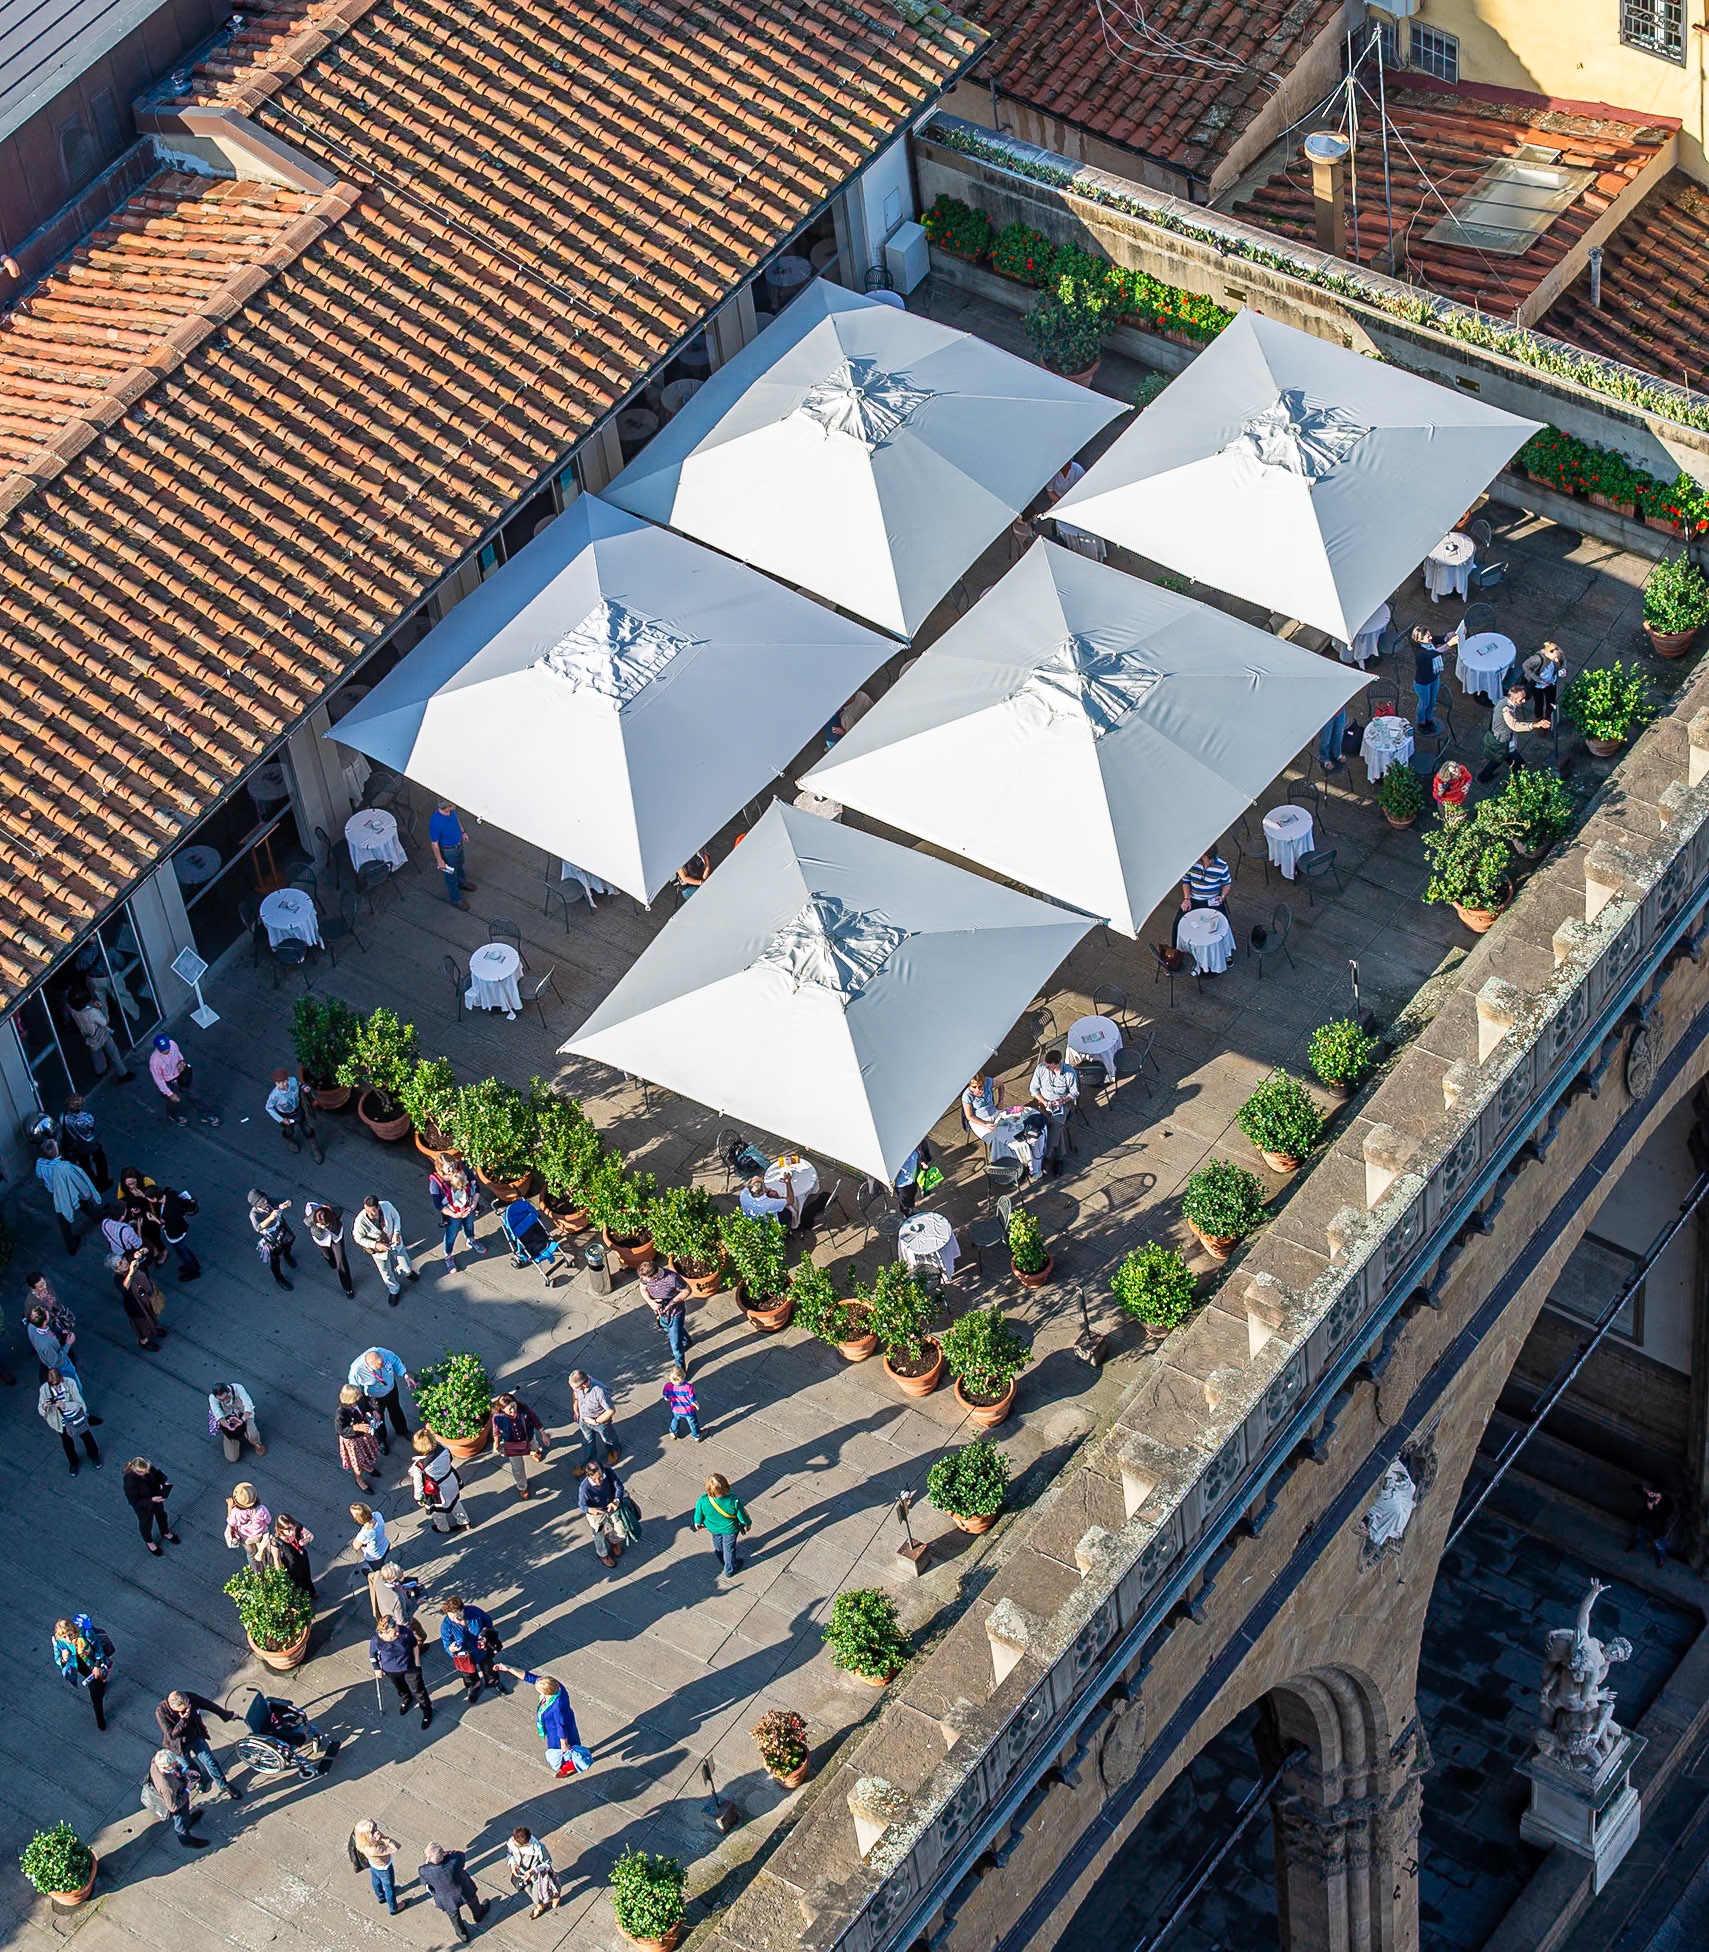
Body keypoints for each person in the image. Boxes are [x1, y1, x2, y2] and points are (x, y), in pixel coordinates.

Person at [492, 1666, 584, 1776]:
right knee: (573, 1744)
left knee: (561, 1751)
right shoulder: (555, 1686)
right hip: (565, 1721)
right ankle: (576, 1757)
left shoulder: (557, 1707)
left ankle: (570, 1766)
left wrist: (563, 1744)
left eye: (539, 1690)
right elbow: (529, 1677)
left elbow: (561, 1726)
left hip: (557, 1731)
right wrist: (509, 1669)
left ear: (547, 1692)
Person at [154, 1690, 240, 1800]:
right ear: (173, 1707)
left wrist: (227, 1715)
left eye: (188, 1705)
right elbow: (171, 1735)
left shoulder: (189, 1697)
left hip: (196, 1737)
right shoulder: (161, 1712)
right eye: (184, 1708)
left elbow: (209, 1705)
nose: (188, 1708)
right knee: (190, 1768)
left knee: (210, 1762)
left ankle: (224, 1785)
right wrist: (183, 1720)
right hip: (179, 1747)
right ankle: (200, 1780)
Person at [1478, 679, 1549, 783]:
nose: (1524, 701)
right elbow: (1514, 725)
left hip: (1500, 739)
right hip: (1503, 741)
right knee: (1517, 764)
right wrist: (1535, 725)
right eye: (1521, 699)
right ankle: (1514, 781)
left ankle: (1484, 777)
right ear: (1512, 698)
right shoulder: (1506, 710)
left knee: (1499, 760)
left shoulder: (1504, 701)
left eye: (1524, 698)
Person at [35, 1138, 99, 1252]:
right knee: (83, 1204)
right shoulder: (63, 1166)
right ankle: (97, 1217)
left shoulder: (39, 1163)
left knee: (63, 1220)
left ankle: (71, 1244)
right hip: (69, 1190)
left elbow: (39, 1175)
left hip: (55, 1193)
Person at [439, 1596, 507, 1701]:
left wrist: (487, 1632)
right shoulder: (446, 1626)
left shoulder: (474, 1611)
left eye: (457, 1617)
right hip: (464, 1655)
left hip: (481, 1649)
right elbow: (446, 1644)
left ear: (462, 1610)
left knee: (489, 1668)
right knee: (469, 1675)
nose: (455, 1620)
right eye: (451, 1618)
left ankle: (493, 1682)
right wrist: (451, 1649)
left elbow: (487, 1620)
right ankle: (473, 1688)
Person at [52, 1614, 114, 1729]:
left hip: (91, 1663)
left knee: (95, 1693)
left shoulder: (85, 1633)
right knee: (97, 1685)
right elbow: (58, 1660)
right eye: (64, 1637)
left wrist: (97, 1665)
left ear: (75, 1631)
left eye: (70, 1635)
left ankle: (100, 1718)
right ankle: (101, 1685)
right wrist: (63, 1659)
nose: (69, 1639)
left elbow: (98, 1648)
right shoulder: (59, 1643)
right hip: (79, 1665)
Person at [370, 1617, 432, 1727]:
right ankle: (406, 1698)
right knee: (400, 1688)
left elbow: (414, 1646)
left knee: (419, 1690)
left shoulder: (405, 1632)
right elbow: (372, 1655)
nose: (398, 1633)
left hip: (409, 1667)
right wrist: (377, 1669)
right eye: (394, 1633)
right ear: (383, 1633)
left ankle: (427, 1709)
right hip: (391, 1670)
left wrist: (417, 1663)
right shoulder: (376, 1640)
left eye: (397, 1630)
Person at [418, 1841, 486, 1940]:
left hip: (446, 1898)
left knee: (454, 1916)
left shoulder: (424, 1870)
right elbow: (461, 1855)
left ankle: (463, 1935)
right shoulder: (454, 1860)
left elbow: (425, 1881)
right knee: (473, 1901)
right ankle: (479, 1915)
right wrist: (448, 1853)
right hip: (464, 1889)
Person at [428, 1153, 484, 1272]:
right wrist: (454, 1214)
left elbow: (475, 1184)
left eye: (453, 1165)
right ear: (440, 1168)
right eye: (448, 1168)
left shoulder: (462, 1168)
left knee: (469, 1224)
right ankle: (448, 1256)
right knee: (451, 1234)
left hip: (468, 1207)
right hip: (452, 1214)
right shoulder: (436, 1182)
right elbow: (438, 1204)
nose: (452, 1169)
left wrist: (474, 1202)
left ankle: (471, 1240)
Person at [348, 1346, 415, 1444]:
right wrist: (365, 1406)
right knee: (378, 1419)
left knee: (396, 1409)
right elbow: (354, 1389)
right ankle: (382, 1441)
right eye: (380, 1367)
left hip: (391, 1389)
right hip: (374, 1397)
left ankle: (402, 1430)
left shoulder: (383, 1353)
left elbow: (396, 1361)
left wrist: (406, 1376)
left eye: (384, 1363)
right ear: (371, 1366)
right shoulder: (356, 1370)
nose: (384, 1366)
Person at [353, 1195, 415, 1301]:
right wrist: (375, 1245)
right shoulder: (361, 1220)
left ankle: (407, 1273)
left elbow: (395, 1216)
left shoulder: (386, 1205)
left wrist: (397, 1233)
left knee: (405, 1262)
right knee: (385, 1271)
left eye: (372, 1211)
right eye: (367, 1211)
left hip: (394, 1242)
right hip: (379, 1251)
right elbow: (358, 1238)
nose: (369, 1214)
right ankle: (394, 1290)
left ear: (378, 1207)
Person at [490, 1390, 549, 1499]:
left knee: (535, 1447)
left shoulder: (524, 1410)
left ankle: (535, 1452)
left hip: (529, 1438)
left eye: (513, 1406)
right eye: (509, 1409)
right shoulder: (498, 1417)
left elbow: (535, 1419)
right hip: (512, 1446)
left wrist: (543, 1433)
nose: (513, 1410)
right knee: (517, 1467)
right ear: (502, 1410)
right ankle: (522, 1487)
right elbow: (496, 1431)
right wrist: (496, 1444)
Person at [149, 1033, 218, 1125]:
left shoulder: (172, 1044)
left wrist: (181, 1062)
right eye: (163, 1050)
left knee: (195, 1095)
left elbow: (178, 1055)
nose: (167, 1051)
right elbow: (159, 1080)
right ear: (157, 1048)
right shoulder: (154, 1061)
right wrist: (170, 1094)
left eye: (167, 1048)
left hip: (181, 1075)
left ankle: (208, 1115)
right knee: (172, 1102)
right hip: (169, 1083)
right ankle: (173, 1115)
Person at [65, 988, 133, 1082]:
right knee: (113, 1052)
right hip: (101, 1034)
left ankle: (100, 1071)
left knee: (96, 1053)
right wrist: (98, 1007)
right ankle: (122, 1073)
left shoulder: (74, 1012)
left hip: (89, 1036)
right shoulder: (91, 1012)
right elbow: (103, 1022)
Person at [1029, 1050, 1079, 1178]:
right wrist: (1044, 1102)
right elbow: (1033, 1089)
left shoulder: (1069, 1073)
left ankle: (1047, 1156)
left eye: (1049, 1066)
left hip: (1063, 1104)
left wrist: (1061, 1101)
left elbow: (1074, 1093)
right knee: (1042, 1125)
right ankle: (1059, 1157)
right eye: (1046, 1064)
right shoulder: (1041, 1069)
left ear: (1058, 1063)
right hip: (1044, 1103)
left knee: (1056, 1124)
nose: (1046, 1067)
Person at [41, 1367, 101, 1473]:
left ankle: (94, 1456)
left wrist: (65, 1405)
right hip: (61, 1422)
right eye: (52, 1384)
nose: (55, 1386)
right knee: (67, 1443)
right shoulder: (44, 1390)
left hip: (76, 1417)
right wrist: (45, 1406)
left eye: (57, 1383)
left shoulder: (70, 1383)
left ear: (61, 1379)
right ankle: (73, 1462)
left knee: (87, 1437)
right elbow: (41, 1410)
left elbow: (79, 1403)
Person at [411, 1427, 471, 1533]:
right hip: (451, 1480)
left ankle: (443, 1528)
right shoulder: (443, 1449)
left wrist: (418, 1498)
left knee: (438, 1512)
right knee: (455, 1502)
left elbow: (418, 1485)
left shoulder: (419, 1465)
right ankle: (464, 1521)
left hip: (437, 1491)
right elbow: (450, 1459)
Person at [692, 1471, 751, 1577]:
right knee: (729, 1548)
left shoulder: (703, 1500)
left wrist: (698, 1523)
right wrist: (748, 1523)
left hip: (713, 1527)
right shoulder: (733, 1500)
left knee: (717, 1541)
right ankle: (729, 1569)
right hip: (730, 1529)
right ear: (726, 1486)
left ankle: (721, 1558)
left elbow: (698, 1514)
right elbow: (742, 1516)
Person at [148, 1748, 209, 1848]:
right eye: (173, 1764)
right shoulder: (166, 1786)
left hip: (179, 1791)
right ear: (165, 1767)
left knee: (185, 1817)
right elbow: (173, 1806)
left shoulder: (156, 1760)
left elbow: (175, 1768)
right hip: (177, 1800)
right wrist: (188, 1790)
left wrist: (185, 1771)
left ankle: (188, 1821)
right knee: (180, 1822)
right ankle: (185, 1840)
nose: (176, 1763)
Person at [637, 1258, 691, 1369]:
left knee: (675, 1345)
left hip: (675, 1313)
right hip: (659, 1310)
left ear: (655, 1276)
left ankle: (680, 1369)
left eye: (647, 1280)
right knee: (669, 1328)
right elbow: (642, 1289)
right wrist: (651, 1302)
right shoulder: (645, 1277)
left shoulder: (672, 1278)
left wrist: (671, 1303)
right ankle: (686, 1340)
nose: (644, 1282)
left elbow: (687, 1290)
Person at [265, 1068, 324, 1163]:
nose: (282, 1085)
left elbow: (299, 1086)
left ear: (287, 1080)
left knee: (308, 1129)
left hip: (298, 1110)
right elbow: (269, 1108)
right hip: (286, 1115)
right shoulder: (274, 1096)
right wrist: (281, 1119)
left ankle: (315, 1149)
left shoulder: (293, 1081)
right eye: (278, 1083)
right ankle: (289, 1141)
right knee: (289, 1131)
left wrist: (304, 1087)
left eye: (283, 1082)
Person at [123, 1455, 178, 1554]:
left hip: (156, 1496)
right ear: (137, 1471)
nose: (148, 1472)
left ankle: (165, 1531)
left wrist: (163, 1482)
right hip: (144, 1506)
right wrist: (151, 1500)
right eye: (146, 1471)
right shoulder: (130, 1483)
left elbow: (157, 1474)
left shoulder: (146, 1467)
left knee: (161, 1515)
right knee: (146, 1524)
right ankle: (149, 1541)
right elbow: (134, 1502)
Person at [428, 799, 477, 909]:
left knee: (460, 865)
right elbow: (434, 844)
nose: (456, 805)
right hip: (448, 851)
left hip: (458, 845)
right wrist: (440, 860)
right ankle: (456, 898)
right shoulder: (435, 823)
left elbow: (457, 820)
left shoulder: (452, 811)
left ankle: (462, 883)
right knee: (451, 875)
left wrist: (462, 832)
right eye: (453, 804)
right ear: (447, 807)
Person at [578, 1457, 627, 1567]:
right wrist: (590, 1510)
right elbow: (582, 1505)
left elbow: (619, 1486)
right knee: (598, 1535)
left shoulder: (609, 1473)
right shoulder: (585, 1488)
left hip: (611, 1506)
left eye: (600, 1477)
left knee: (622, 1531)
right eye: (595, 1479)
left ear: (603, 1470)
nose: (599, 1481)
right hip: (596, 1512)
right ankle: (603, 1554)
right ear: (588, 1475)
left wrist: (617, 1500)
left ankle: (612, 1540)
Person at [115, 1244, 164, 1351]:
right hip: (136, 1305)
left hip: (147, 1296)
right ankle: (144, 1341)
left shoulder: (130, 1260)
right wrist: (132, 1271)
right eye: (120, 1264)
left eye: (123, 1260)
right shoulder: (118, 1279)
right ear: (117, 1270)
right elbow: (125, 1287)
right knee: (141, 1324)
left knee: (153, 1314)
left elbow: (147, 1248)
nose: (124, 1263)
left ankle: (155, 1329)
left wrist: (140, 1252)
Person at [58, 1094, 111, 1192]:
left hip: (77, 1146)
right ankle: (103, 1181)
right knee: (100, 1160)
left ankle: (94, 1183)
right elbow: (94, 1129)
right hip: (91, 1143)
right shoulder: (87, 1118)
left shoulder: (63, 1118)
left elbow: (61, 1134)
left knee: (85, 1165)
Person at [568, 1369, 619, 1470]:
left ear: (585, 1384)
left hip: (600, 1422)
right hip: (583, 1420)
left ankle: (614, 1450)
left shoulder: (600, 1391)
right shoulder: (578, 1386)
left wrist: (595, 1421)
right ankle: (588, 1463)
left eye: (576, 1388)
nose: (574, 1390)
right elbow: (575, 1395)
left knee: (608, 1438)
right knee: (588, 1441)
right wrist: (575, 1409)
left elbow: (610, 1410)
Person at [507, 1826, 561, 1917]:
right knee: (528, 1890)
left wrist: (533, 1871)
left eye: (516, 1843)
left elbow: (547, 1863)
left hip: (537, 1876)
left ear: (526, 1844)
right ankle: (541, 1905)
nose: (513, 1843)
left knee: (538, 1895)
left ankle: (545, 1902)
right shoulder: (512, 1843)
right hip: (523, 1875)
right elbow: (509, 1853)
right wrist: (513, 1864)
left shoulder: (538, 1849)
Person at [304, 1199, 355, 1298]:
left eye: (325, 1225)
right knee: (327, 1254)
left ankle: (348, 1288)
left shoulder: (334, 1212)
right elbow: (306, 1222)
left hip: (336, 1236)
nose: (322, 1227)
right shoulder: (311, 1216)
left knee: (341, 1261)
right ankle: (330, 1260)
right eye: (319, 1224)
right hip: (321, 1239)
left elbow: (340, 1210)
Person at [351, 1820, 403, 1914]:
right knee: (389, 1888)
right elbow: (396, 1847)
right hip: (384, 1868)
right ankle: (394, 1908)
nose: (377, 1830)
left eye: (375, 1826)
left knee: (376, 1881)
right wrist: (383, 1838)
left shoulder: (361, 1842)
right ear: (367, 1836)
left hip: (373, 1865)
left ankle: (380, 1897)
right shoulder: (376, 1848)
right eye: (373, 1830)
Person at [248, 1189, 296, 1290]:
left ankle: (287, 1256)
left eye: (264, 1199)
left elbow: (288, 1201)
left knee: (289, 1244)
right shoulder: (254, 1214)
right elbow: (258, 1228)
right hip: (271, 1240)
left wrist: (286, 1204)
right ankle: (279, 1279)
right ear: (256, 1206)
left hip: (283, 1231)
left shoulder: (270, 1201)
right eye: (261, 1202)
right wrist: (270, 1218)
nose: (265, 1202)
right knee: (274, 1261)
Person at [337, 1385, 382, 1491]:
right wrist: (355, 1428)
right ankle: (359, 1480)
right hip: (352, 1440)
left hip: (362, 1435)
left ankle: (365, 1465)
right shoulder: (341, 1412)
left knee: (365, 1453)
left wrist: (373, 1411)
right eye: (358, 1395)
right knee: (356, 1463)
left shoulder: (360, 1401)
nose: (361, 1395)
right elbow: (340, 1430)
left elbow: (366, 1406)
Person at [209, 1381, 264, 1462]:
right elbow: (219, 1416)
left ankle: (256, 1443)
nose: (224, 1401)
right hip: (228, 1420)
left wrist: (242, 1420)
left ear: (228, 1390)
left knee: (252, 1434)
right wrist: (228, 1427)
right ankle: (235, 1437)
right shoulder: (213, 1398)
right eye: (221, 1400)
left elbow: (248, 1406)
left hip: (243, 1415)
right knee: (232, 1458)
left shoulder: (238, 1388)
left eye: (226, 1397)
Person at [158, 1181, 201, 1281]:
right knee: (184, 1250)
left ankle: (193, 1271)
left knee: (183, 1252)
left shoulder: (167, 1213)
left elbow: (167, 1225)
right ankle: (194, 1266)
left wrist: (157, 1221)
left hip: (176, 1234)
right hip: (181, 1228)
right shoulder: (171, 1196)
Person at [266, 1514, 316, 1599]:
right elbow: (276, 1559)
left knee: (306, 1577)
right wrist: (280, 1574)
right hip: (291, 1567)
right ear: (281, 1529)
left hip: (303, 1559)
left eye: (292, 1528)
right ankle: (301, 1601)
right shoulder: (276, 1542)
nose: (292, 1532)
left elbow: (310, 1535)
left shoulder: (297, 1527)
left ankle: (311, 1593)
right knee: (296, 1584)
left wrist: (306, 1539)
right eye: (288, 1530)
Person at [1410, 625, 1448, 732]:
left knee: (1432, 702)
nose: (1430, 638)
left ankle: (1429, 719)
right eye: (1427, 637)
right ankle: (1421, 722)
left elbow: (1441, 638)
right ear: (1419, 640)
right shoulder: (1420, 653)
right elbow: (1436, 653)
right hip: (1423, 683)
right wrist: (1449, 644)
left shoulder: (1429, 643)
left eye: (1430, 635)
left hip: (1434, 678)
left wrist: (1450, 636)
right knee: (1424, 703)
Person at [224, 1482, 273, 1562]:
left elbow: (231, 1523)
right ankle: (266, 1566)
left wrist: (229, 1507)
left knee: (251, 1555)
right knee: (263, 1553)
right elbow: (268, 1520)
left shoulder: (236, 1512)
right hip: (260, 1534)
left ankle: (257, 1571)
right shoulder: (261, 1509)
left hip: (245, 1538)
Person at [1632, 1481, 1676, 1567]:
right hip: (1644, 1522)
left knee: (1659, 1545)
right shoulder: (1650, 1496)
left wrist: (1651, 1507)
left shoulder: (1667, 1504)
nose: (1655, 1498)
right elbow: (1635, 1487)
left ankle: (1661, 1557)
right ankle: (1639, 1546)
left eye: (1657, 1496)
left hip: (1656, 1529)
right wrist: (1646, 1491)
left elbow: (1660, 1518)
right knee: (1640, 1535)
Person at [373, 1562, 423, 1630]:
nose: (402, 1570)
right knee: (419, 1632)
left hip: (385, 1610)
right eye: (400, 1571)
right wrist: (416, 1603)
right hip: (396, 1620)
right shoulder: (398, 1600)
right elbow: (403, 1622)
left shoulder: (380, 1577)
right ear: (394, 1579)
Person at [1524, 641, 1562, 723]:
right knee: (1539, 704)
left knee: (1551, 702)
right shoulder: (1537, 659)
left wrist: (1562, 669)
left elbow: (1561, 662)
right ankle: (1539, 721)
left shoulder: (1556, 653)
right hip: (1538, 686)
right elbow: (1525, 666)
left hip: (1551, 683)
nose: (1555, 660)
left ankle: (1548, 719)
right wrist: (1539, 680)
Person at [962, 1073, 1003, 1146]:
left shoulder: (988, 1081)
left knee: (1010, 1129)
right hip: (979, 1121)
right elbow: (969, 1116)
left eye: (980, 1086)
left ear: (984, 1082)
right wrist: (985, 1124)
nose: (977, 1089)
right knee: (995, 1141)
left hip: (995, 1112)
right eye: (974, 1087)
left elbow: (1001, 1085)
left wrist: (1000, 1101)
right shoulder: (967, 1096)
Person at [663, 1364, 702, 1441]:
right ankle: (697, 1436)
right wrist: (697, 1405)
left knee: (675, 1419)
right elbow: (692, 1400)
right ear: (683, 1376)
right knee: (693, 1423)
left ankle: (673, 1433)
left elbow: (666, 1397)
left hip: (676, 1409)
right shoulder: (688, 1387)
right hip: (688, 1410)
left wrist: (667, 1398)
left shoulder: (668, 1386)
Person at [893, 1141, 931, 1219]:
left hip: (913, 1179)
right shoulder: (894, 1152)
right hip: (901, 1184)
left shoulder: (914, 1144)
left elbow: (920, 1155)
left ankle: (910, 1210)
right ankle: (907, 1217)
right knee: (905, 1203)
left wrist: (922, 1163)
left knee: (912, 1196)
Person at [1317, 707, 1348, 774]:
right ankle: (1324, 758)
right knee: (1325, 739)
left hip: (1339, 710)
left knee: (1339, 734)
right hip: (1325, 713)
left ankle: (1337, 753)